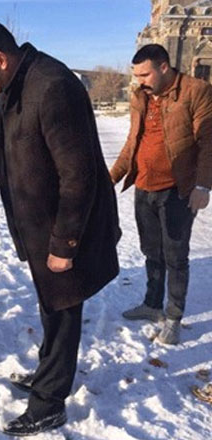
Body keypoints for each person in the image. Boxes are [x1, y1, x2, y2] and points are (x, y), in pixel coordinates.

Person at [0, 19, 120, 436]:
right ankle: (47, 374)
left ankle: (49, 403)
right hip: (38, 226)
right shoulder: (16, 85)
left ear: (1, 58)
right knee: (51, 307)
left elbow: (78, 175)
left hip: (64, 228)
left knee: (64, 308)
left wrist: (65, 243)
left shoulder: (51, 86)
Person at [111, 44, 212, 344]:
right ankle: (152, 304)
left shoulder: (197, 91)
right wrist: (111, 178)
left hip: (177, 190)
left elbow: (209, 143)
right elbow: (133, 142)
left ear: (164, 67)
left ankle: (173, 317)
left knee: (176, 256)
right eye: (136, 75)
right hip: (144, 186)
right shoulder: (140, 96)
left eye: (145, 73)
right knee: (150, 251)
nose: (139, 80)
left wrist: (203, 186)